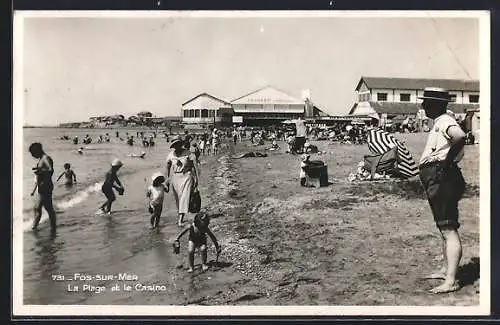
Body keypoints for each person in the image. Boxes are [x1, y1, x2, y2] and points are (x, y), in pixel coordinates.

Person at [418, 87, 467, 294]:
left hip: (442, 178)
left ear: (436, 104)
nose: (422, 106)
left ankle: (451, 280)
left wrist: (445, 162)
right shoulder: (440, 121)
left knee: (448, 229)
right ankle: (447, 270)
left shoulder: (446, 121)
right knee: (443, 228)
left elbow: (460, 136)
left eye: (426, 103)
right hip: (438, 177)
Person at [165, 135, 199, 227]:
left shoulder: (188, 153)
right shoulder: (171, 155)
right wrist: (167, 180)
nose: (177, 146)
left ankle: (180, 220)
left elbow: (194, 166)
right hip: (175, 178)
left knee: (184, 198)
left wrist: (196, 179)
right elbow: (167, 167)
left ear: (181, 144)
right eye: (175, 145)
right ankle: (181, 216)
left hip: (186, 177)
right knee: (178, 199)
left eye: (178, 144)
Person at [29, 143, 57, 234]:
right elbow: (46, 169)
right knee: (47, 208)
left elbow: (50, 170)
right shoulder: (42, 159)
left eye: (33, 153)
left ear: (38, 151)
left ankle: (34, 228)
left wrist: (40, 171)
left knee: (38, 208)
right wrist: (38, 170)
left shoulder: (45, 158)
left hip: (46, 186)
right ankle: (53, 227)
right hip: (44, 186)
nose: (32, 155)